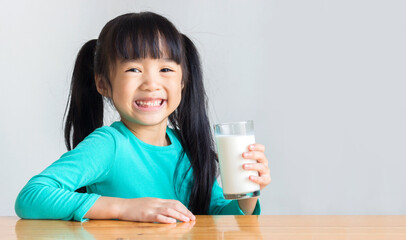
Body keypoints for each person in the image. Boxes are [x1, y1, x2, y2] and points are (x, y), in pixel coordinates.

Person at [15, 12, 271, 223]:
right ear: (103, 84)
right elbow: (31, 197)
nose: (151, 83)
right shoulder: (109, 145)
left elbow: (216, 215)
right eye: (133, 69)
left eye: (166, 69)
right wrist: (125, 209)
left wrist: (247, 194)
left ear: (183, 82)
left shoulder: (186, 147)